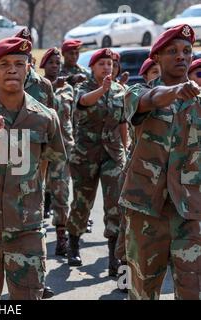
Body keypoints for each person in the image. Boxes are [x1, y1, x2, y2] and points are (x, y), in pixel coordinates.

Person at [0, 37, 67, 300]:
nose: (12, 69)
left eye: (20, 64)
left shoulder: (45, 117)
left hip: (27, 229)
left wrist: (34, 202)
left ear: (29, 68)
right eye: (4, 64)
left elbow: (49, 163)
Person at [120, 24, 201, 300]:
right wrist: (176, 90)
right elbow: (150, 100)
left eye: (187, 51)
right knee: (142, 291)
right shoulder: (136, 93)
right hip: (145, 210)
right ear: (156, 58)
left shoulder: (198, 101)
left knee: (192, 291)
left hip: (189, 211)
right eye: (173, 51)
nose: (181, 56)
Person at [66, 48, 128, 278]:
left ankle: (114, 257)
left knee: (115, 204)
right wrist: (102, 89)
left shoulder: (121, 90)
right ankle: (73, 242)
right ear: (92, 67)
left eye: (110, 64)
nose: (106, 67)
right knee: (83, 202)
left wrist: (126, 147)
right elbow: (82, 103)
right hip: (85, 154)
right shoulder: (83, 87)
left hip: (113, 154)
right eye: (101, 64)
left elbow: (122, 122)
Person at [40, 47, 75, 256]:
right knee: (36, 192)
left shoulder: (68, 89)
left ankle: (62, 237)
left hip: (63, 147)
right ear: (43, 66)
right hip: (42, 148)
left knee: (62, 192)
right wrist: (53, 86)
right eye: (51, 63)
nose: (55, 66)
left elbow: (74, 118)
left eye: (57, 63)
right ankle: (34, 237)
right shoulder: (38, 87)